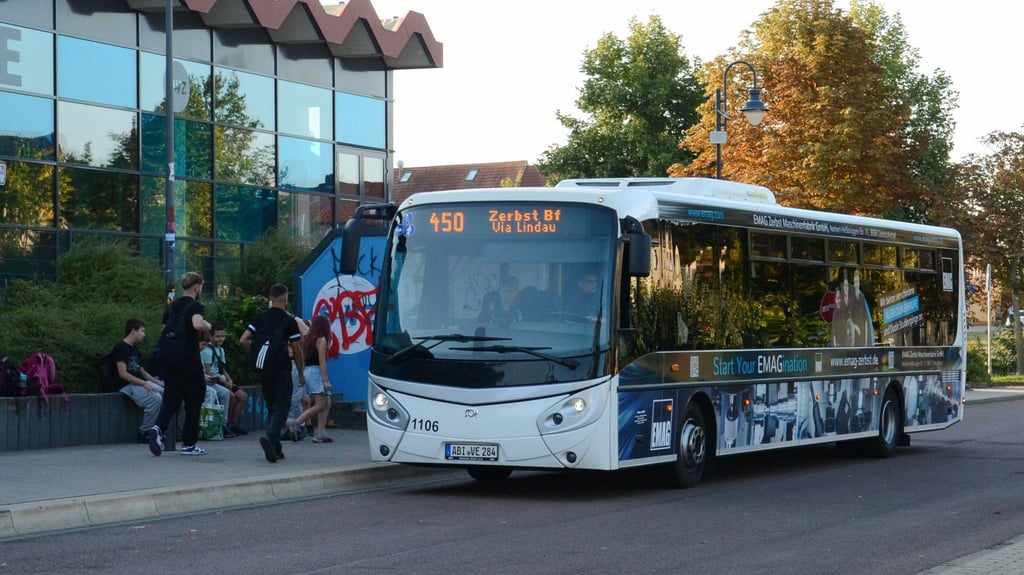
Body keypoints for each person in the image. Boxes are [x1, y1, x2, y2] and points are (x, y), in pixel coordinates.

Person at [149, 271, 212, 456]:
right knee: (195, 399)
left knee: (171, 398)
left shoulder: (171, 307)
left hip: (169, 357)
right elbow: (197, 325)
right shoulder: (195, 306)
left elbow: (163, 330)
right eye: (201, 287)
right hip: (188, 358)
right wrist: (208, 325)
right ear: (197, 287)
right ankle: (189, 444)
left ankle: (158, 429)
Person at [240, 284, 304, 463]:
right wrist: (301, 372)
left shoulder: (261, 317)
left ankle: (276, 448)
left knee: (271, 405)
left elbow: (243, 339)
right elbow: (297, 349)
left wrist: (257, 354)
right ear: (285, 299)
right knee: (282, 406)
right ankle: (270, 436)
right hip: (282, 368)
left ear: (271, 298)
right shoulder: (289, 321)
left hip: (265, 369)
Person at [110, 318, 165, 443]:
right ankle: (145, 432)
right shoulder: (121, 348)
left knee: (166, 393)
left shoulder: (134, 349)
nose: (144, 334)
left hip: (137, 382)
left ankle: (161, 430)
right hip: (125, 385)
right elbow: (123, 374)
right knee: (155, 399)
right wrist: (144, 384)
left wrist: (159, 384)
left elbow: (142, 371)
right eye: (142, 331)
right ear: (133, 331)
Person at [288, 315, 334, 443]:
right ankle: (296, 423)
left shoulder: (308, 339)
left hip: (308, 370)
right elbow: (322, 361)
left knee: (327, 401)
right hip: (316, 371)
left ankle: (320, 432)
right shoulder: (322, 340)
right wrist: (326, 380)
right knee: (320, 404)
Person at [201, 324, 248, 437]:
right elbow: (208, 372)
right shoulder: (207, 351)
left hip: (223, 379)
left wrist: (229, 379)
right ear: (211, 337)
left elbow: (223, 369)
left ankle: (233, 423)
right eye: (217, 336)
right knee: (231, 396)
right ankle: (224, 424)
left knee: (243, 397)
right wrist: (223, 381)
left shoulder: (221, 350)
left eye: (223, 336)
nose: (221, 339)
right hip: (215, 380)